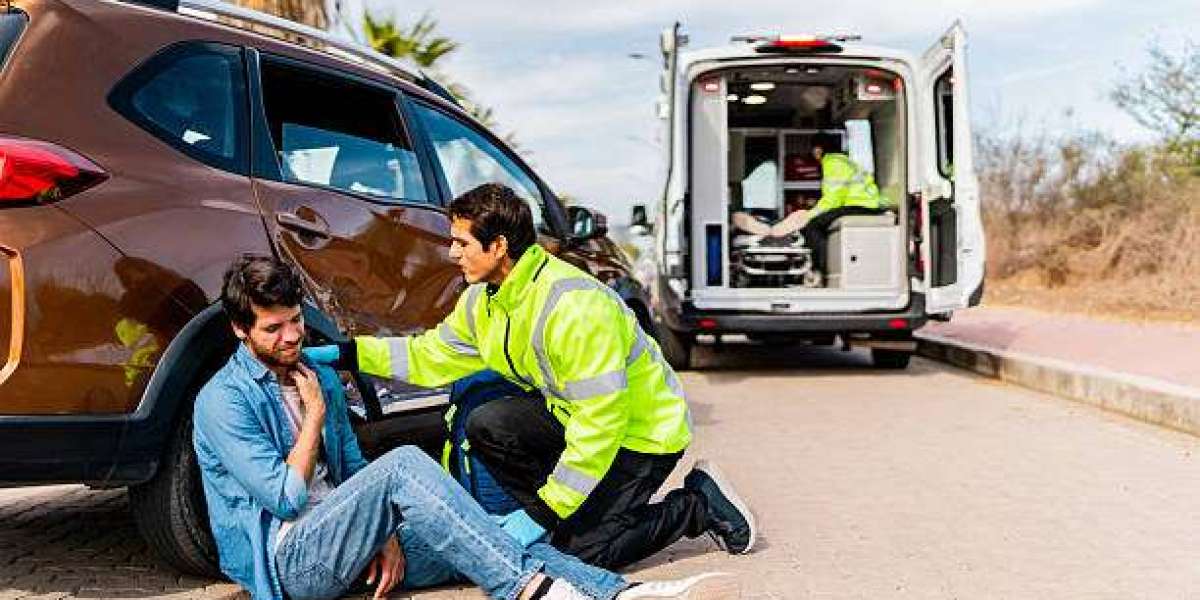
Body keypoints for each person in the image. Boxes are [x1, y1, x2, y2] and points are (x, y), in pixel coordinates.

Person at [192, 255, 738, 600]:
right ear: (241, 330)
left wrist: (380, 532)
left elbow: (354, 472)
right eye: (273, 329)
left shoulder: (318, 377)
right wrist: (311, 417)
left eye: (295, 322)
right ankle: (526, 591)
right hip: (288, 565)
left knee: (491, 529)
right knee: (405, 464)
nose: (291, 337)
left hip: (350, 544)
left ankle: (620, 595)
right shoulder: (222, 402)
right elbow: (287, 499)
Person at [305, 183, 756, 570]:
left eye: (462, 242)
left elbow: (601, 423)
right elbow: (432, 354)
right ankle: (566, 520)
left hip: (640, 433)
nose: (452, 252)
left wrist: (545, 511)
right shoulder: (485, 299)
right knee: (489, 422)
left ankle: (697, 504)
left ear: (498, 246)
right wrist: (346, 353)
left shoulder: (574, 306)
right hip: (574, 417)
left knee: (586, 553)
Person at [767, 133, 887, 274]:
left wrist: (809, 216)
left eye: (814, 150)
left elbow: (832, 200)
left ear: (819, 150)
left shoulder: (832, 163)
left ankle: (822, 271)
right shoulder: (845, 161)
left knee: (813, 227)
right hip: (868, 205)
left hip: (858, 206)